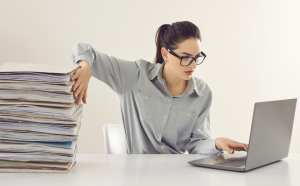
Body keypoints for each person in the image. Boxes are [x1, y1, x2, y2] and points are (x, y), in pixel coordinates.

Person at [70, 21, 249, 155]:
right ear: (165, 54)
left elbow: (195, 145)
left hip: (177, 176)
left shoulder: (202, 93)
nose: (193, 65)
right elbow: (83, 49)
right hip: (137, 177)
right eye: (185, 57)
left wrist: (216, 143)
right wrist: (85, 66)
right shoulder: (135, 75)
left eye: (196, 57)